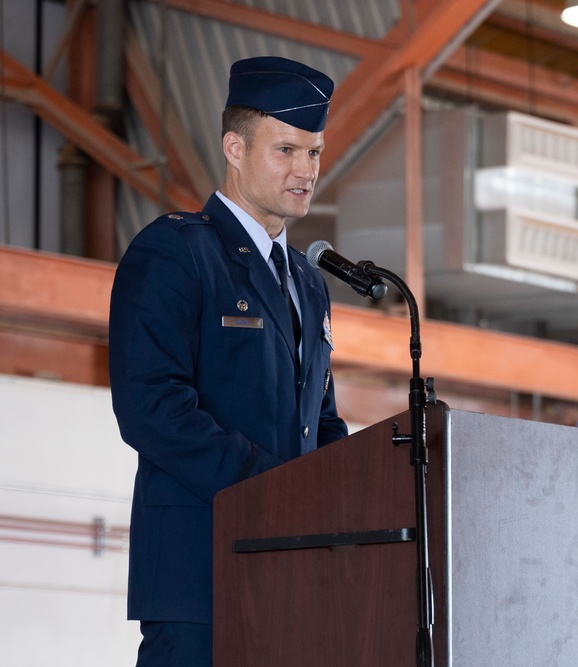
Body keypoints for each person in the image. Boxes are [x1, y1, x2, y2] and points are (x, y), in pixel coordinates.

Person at [108, 55, 349, 666]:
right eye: (286, 151)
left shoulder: (307, 281)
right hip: (199, 581)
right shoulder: (176, 251)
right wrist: (271, 489)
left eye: (314, 154)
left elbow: (319, 420)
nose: (305, 171)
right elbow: (150, 407)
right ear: (234, 148)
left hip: (292, 581)